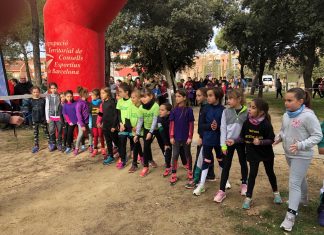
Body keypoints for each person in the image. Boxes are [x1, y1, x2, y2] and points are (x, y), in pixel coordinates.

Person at [274, 88, 322, 232]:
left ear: (300, 101)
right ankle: (304, 199)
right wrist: (279, 137)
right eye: (285, 100)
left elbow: (317, 136)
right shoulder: (286, 115)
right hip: (289, 153)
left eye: (289, 100)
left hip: (302, 155)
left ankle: (290, 217)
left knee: (293, 182)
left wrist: (301, 145)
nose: (286, 103)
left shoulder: (308, 116)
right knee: (299, 179)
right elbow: (284, 130)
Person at [238, 98, 282, 210]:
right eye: (250, 107)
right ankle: (248, 198)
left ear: (261, 112)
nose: (249, 110)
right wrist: (233, 141)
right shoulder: (247, 122)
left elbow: (271, 140)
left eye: (253, 108)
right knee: (252, 174)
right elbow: (242, 137)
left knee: (270, 172)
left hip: (266, 153)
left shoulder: (266, 124)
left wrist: (261, 142)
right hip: (252, 153)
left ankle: (276, 193)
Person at [213, 89, 248, 202]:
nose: (228, 101)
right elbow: (223, 129)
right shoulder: (226, 112)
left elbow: (248, 130)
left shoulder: (247, 112)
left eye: (231, 98)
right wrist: (223, 145)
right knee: (226, 166)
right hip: (228, 143)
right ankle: (222, 190)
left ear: (239, 99)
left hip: (241, 142)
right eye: (227, 98)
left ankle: (244, 184)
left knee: (243, 162)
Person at [193, 87, 224, 195]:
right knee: (206, 161)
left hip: (219, 140)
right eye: (208, 95)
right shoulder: (205, 108)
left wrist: (218, 126)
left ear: (218, 97)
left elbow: (225, 127)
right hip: (208, 139)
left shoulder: (223, 110)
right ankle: (201, 185)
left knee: (220, 159)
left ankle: (225, 181)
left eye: (211, 95)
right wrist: (210, 126)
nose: (208, 98)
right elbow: (201, 125)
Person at [169, 89, 195, 187]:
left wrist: (190, 137)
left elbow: (191, 124)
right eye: (176, 96)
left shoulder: (189, 110)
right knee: (175, 155)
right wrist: (171, 136)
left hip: (185, 138)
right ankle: (174, 174)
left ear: (184, 98)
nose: (177, 98)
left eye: (179, 96)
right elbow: (172, 124)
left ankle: (190, 173)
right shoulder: (173, 111)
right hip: (176, 138)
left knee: (187, 154)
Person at [134, 88, 160, 177]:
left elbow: (155, 120)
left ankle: (169, 164)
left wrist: (151, 132)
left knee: (163, 146)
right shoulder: (141, 108)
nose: (143, 99)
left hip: (156, 129)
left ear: (151, 96)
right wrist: (137, 134)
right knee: (146, 146)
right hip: (146, 129)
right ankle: (146, 166)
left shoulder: (156, 106)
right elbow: (140, 121)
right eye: (141, 97)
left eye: (145, 97)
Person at [97, 87, 119, 165]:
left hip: (112, 127)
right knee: (108, 142)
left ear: (108, 93)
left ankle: (122, 154)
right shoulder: (103, 103)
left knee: (116, 141)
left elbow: (116, 115)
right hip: (105, 126)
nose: (101, 95)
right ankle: (111, 156)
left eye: (103, 93)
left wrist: (114, 126)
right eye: (100, 93)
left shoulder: (112, 102)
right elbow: (103, 114)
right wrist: (99, 122)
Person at [116, 83, 133, 169]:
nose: (119, 93)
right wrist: (121, 123)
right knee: (122, 142)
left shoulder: (132, 101)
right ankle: (123, 159)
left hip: (131, 125)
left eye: (121, 92)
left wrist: (128, 124)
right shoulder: (119, 101)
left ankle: (135, 156)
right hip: (122, 126)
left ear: (126, 92)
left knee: (133, 141)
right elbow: (118, 114)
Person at [127, 89, 144, 173]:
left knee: (145, 146)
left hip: (143, 130)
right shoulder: (130, 107)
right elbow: (127, 119)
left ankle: (147, 159)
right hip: (134, 131)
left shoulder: (142, 107)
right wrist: (131, 127)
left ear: (139, 98)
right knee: (136, 145)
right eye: (131, 97)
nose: (132, 99)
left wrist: (139, 126)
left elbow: (145, 119)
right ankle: (134, 164)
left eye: (134, 97)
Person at [29, 86, 49, 153]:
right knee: (35, 134)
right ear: (32, 93)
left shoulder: (43, 100)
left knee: (46, 132)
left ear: (39, 92)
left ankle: (50, 144)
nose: (36, 93)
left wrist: (46, 118)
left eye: (37, 92)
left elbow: (46, 110)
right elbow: (29, 111)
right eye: (34, 92)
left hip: (43, 119)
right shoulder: (30, 101)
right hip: (35, 119)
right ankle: (36, 146)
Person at [74, 86, 92, 156]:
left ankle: (91, 146)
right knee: (80, 134)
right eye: (87, 93)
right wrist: (82, 125)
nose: (89, 94)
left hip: (88, 122)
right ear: (84, 94)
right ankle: (76, 148)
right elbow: (78, 115)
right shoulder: (79, 103)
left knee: (90, 134)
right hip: (81, 123)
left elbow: (90, 111)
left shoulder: (88, 103)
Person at [45, 82, 63, 151]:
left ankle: (59, 144)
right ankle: (53, 144)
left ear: (57, 88)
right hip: (51, 117)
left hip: (58, 117)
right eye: (52, 88)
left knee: (60, 130)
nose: (53, 89)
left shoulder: (59, 96)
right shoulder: (48, 97)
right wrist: (47, 118)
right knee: (51, 130)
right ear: (50, 89)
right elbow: (46, 108)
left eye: (54, 88)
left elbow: (62, 104)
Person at [157, 103, 173, 177]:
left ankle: (185, 163)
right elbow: (162, 132)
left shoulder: (172, 118)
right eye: (159, 109)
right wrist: (166, 144)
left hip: (174, 137)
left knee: (180, 151)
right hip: (166, 138)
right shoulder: (159, 119)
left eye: (162, 110)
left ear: (168, 112)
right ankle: (168, 167)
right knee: (167, 151)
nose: (160, 111)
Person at [89, 89, 105, 157]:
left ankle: (103, 148)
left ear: (97, 96)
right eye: (91, 95)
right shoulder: (91, 104)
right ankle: (95, 148)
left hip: (100, 123)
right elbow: (90, 114)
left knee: (101, 135)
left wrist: (102, 122)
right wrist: (90, 123)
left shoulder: (101, 103)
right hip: (93, 123)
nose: (91, 96)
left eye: (93, 95)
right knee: (95, 136)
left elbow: (102, 114)